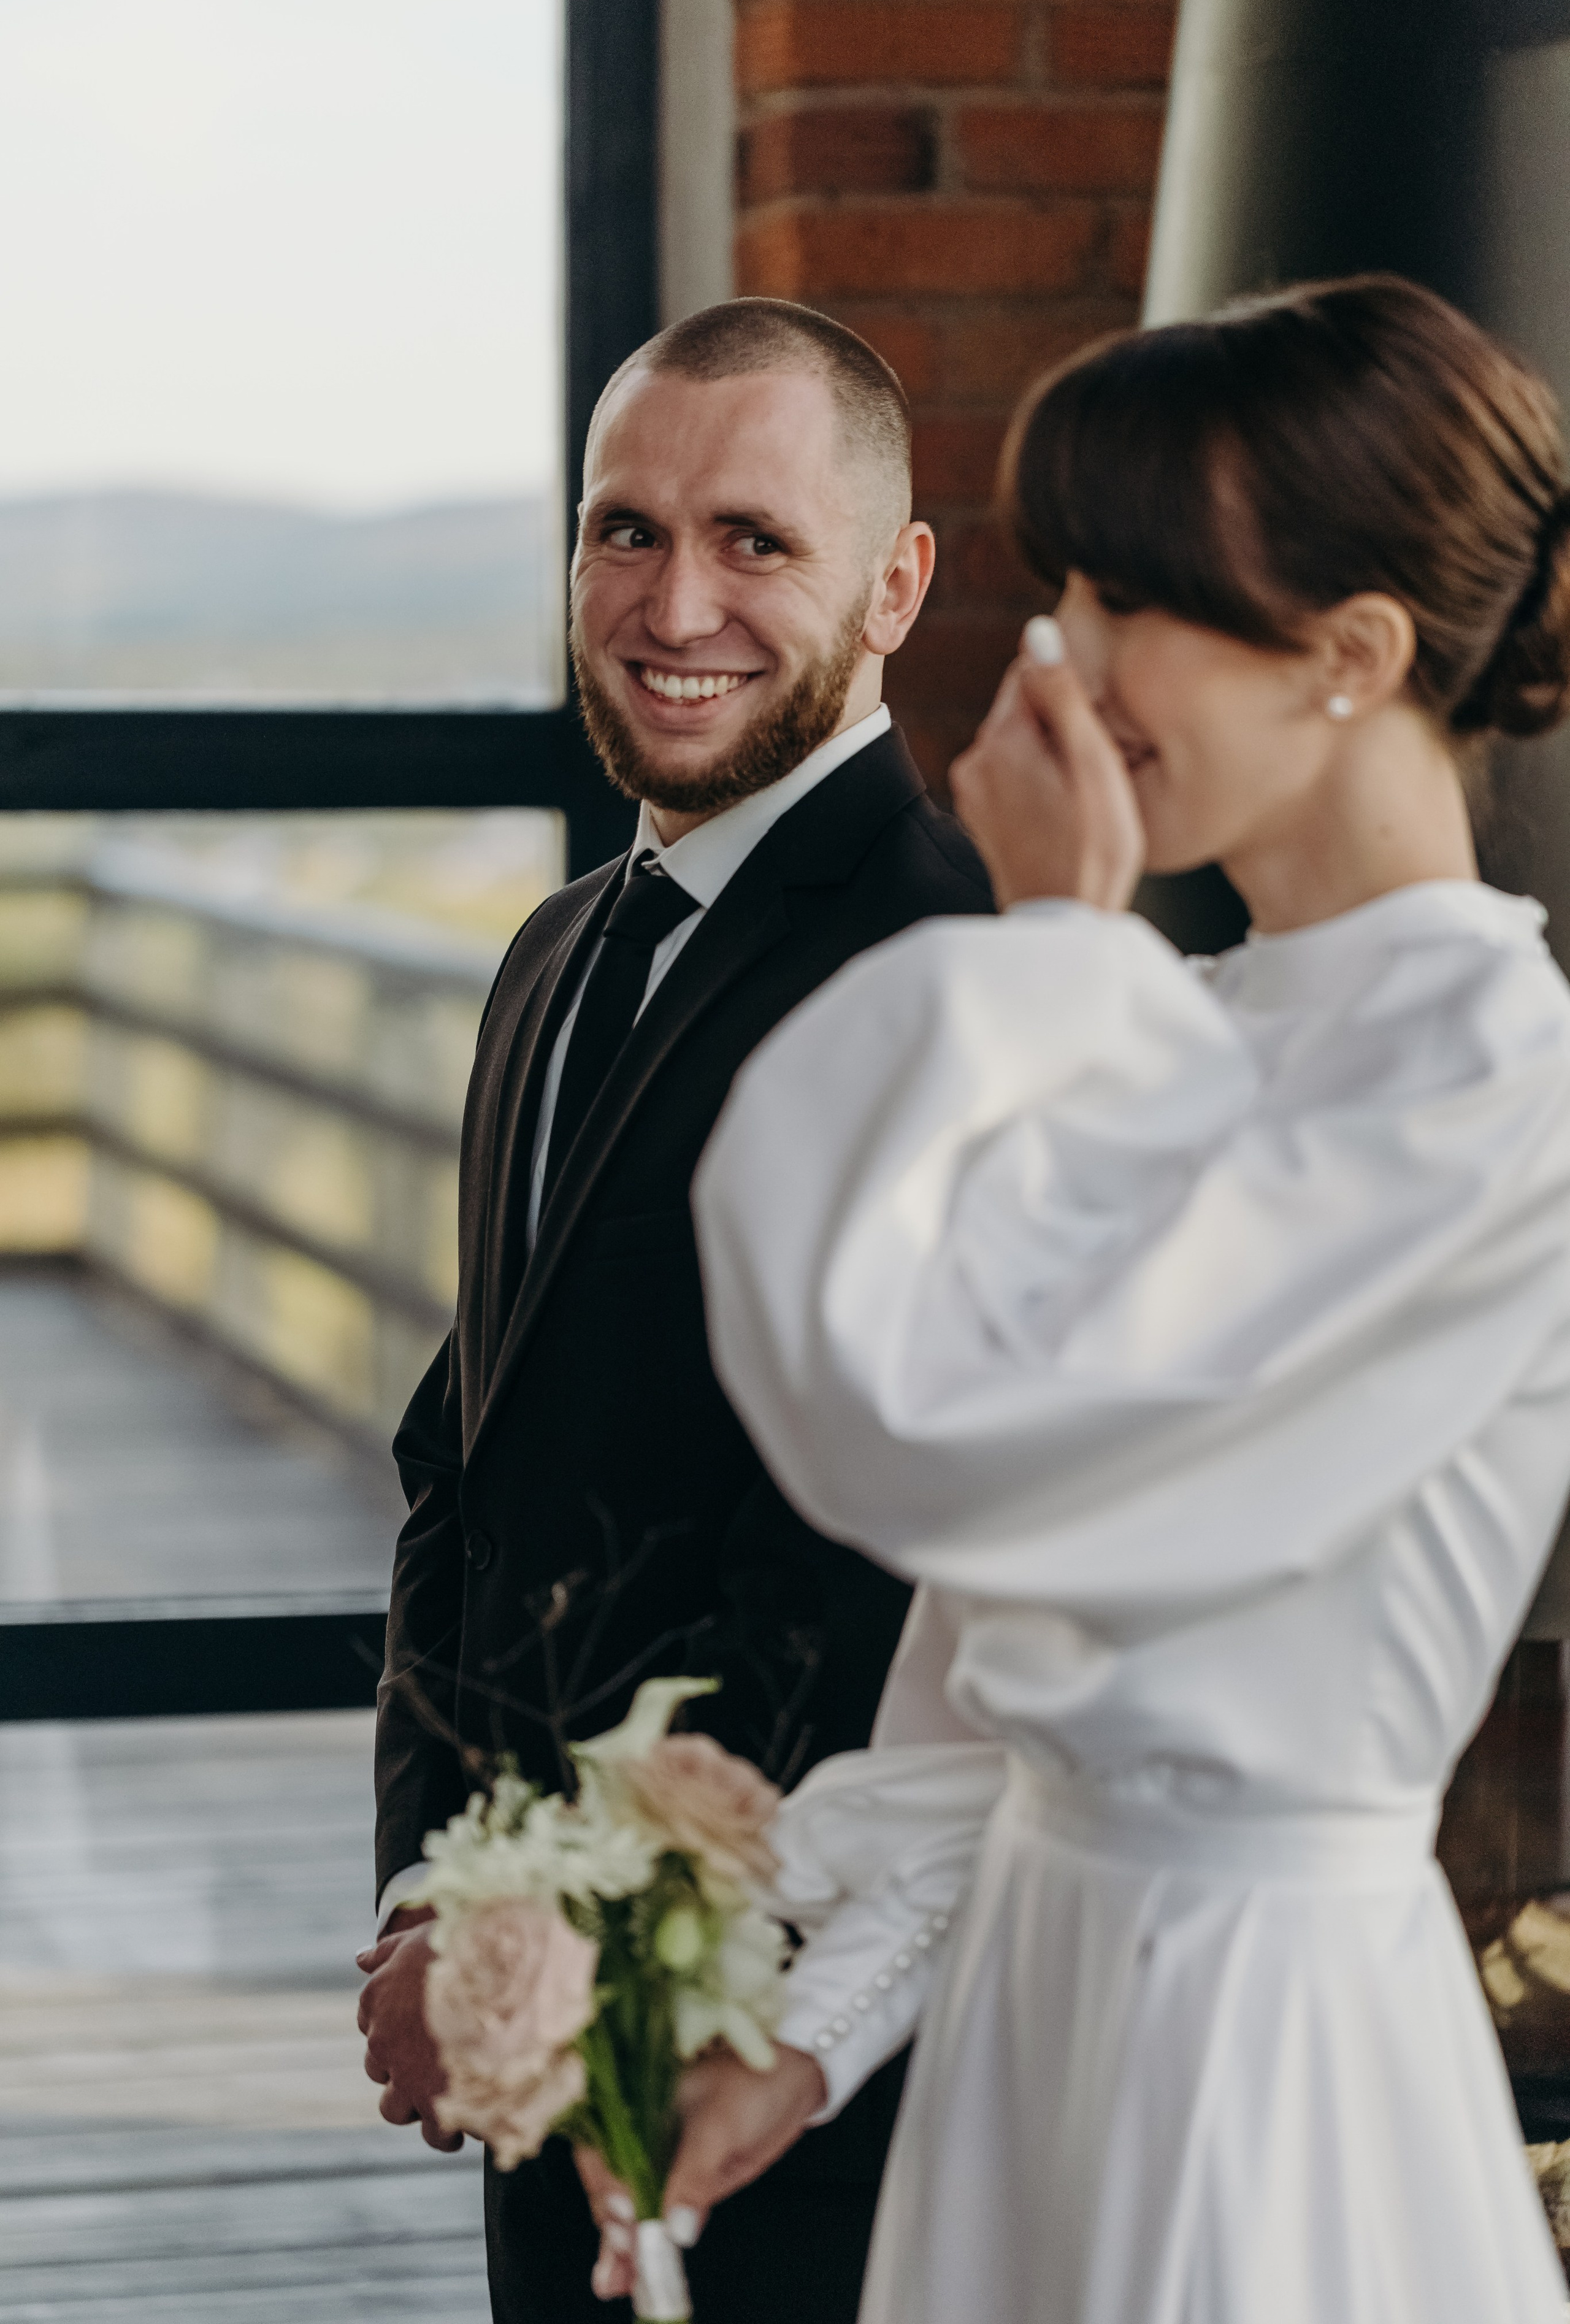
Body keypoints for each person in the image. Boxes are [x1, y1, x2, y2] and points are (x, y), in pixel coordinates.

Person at [654, 275, 1570, 2323]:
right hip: (1038, 2002)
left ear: (1353, 655)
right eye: (1067, 581)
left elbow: (950, 1432)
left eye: (1139, 594)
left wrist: (1053, 948)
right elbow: (995, 1676)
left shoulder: (1492, 1078)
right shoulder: (1178, 1019)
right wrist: (815, 2024)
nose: (1066, 654)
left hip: (1248, 2030)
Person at [355, 295, 992, 2324]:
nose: (674, 599)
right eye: (625, 530)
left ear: (896, 585)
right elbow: (463, 1463)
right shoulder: (552, 953)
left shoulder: (946, 969)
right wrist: (436, 1901)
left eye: (756, 541)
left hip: (779, 2057)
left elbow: (866, 1571)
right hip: (530, 2018)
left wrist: (584, 1948)